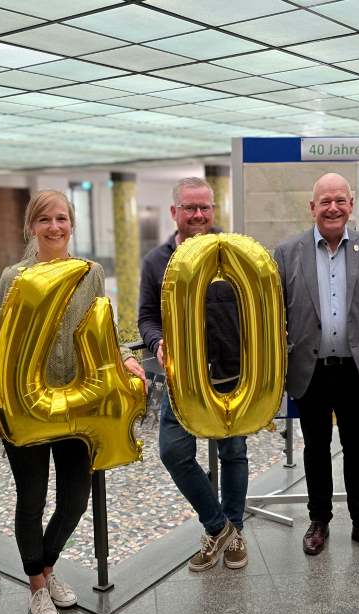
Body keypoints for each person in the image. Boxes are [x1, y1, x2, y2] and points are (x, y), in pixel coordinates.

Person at [0, 190, 145, 614]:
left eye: (61, 218)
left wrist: (126, 357)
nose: (54, 227)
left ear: (70, 223)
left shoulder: (89, 272)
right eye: (45, 220)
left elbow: (104, 326)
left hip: (80, 405)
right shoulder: (14, 276)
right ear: (31, 227)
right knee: (31, 500)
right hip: (26, 406)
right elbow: (0, 342)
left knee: (75, 499)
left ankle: (48, 567)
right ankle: (37, 586)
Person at [274, 172, 359, 559]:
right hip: (309, 370)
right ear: (312, 207)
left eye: (340, 200)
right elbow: (276, 316)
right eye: (325, 201)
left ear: (351, 204)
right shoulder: (287, 251)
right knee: (315, 448)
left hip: (355, 368)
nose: (332, 208)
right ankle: (319, 520)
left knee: (358, 448)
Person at [137, 177, 249, 572]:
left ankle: (234, 531)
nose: (198, 215)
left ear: (214, 210)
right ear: (174, 212)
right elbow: (147, 318)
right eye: (190, 208)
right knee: (174, 452)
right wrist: (157, 343)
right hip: (182, 380)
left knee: (234, 452)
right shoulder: (156, 261)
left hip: (234, 373)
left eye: (205, 207)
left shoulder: (234, 254)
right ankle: (220, 528)